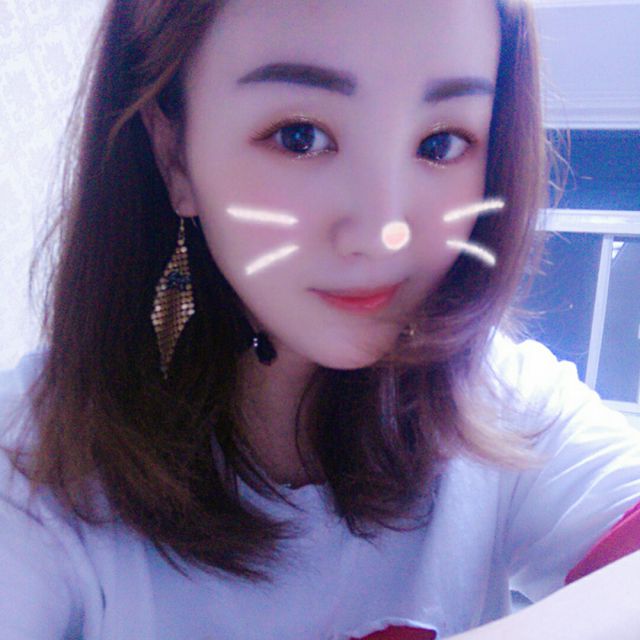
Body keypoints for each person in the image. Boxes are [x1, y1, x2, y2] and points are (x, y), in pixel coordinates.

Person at [1, 0, 639, 638]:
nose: (383, 233)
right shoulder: (32, 464)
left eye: (441, 143)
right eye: (299, 137)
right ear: (175, 155)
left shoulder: (495, 398)